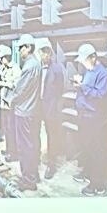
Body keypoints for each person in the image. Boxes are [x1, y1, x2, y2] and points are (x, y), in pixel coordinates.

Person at [73, 43, 107, 196]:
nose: (82, 63)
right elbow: (86, 90)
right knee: (86, 148)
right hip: (83, 116)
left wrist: (82, 87)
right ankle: (88, 173)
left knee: (95, 150)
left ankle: (97, 185)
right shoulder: (88, 71)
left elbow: (100, 95)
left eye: (84, 60)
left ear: (93, 57)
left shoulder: (103, 74)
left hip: (93, 118)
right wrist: (79, 85)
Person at [6, 34, 42, 191]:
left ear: (28, 47)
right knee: (32, 145)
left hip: (24, 112)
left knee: (24, 147)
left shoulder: (29, 66)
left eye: (21, 48)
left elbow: (20, 91)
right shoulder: (36, 63)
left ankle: (28, 180)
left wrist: (10, 100)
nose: (19, 51)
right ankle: (34, 175)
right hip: (33, 111)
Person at [36, 38, 65, 178]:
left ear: (51, 53)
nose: (45, 55)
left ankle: (51, 165)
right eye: (43, 52)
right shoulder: (36, 67)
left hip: (51, 108)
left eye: (47, 52)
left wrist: (54, 106)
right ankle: (36, 157)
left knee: (51, 136)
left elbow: (60, 90)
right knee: (35, 133)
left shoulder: (57, 69)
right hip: (37, 106)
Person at [0, 44, 20, 161]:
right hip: (3, 104)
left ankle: (14, 153)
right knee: (6, 129)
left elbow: (16, 85)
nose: (0, 60)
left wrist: (3, 83)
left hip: (11, 104)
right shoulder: (3, 68)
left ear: (6, 57)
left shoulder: (15, 69)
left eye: (2, 58)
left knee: (11, 129)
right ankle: (8, 149)